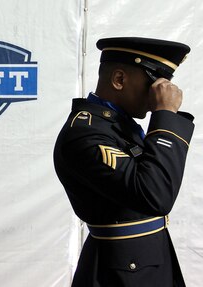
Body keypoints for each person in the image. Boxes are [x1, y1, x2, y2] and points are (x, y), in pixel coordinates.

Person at [53, 37, 194, 287]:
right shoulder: (85, 134)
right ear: (119, 79)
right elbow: (155, 195)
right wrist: (165, 115)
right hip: (119, 274)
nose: (158, 92)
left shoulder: (116, 126)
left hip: (146, 262)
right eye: (154, 83)